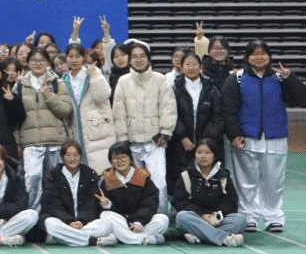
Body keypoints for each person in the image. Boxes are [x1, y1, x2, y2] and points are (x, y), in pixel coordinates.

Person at [221, 40, 306, 233]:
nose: (259, 57)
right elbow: (229, 109)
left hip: (275, 136)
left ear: (269, 57)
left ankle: (273, 216)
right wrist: (234, 133)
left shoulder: (280, 78)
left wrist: (290, 78)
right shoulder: (237, 78)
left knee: (274, 181)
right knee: (246, 180)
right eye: (254, 53)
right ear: (247, 57)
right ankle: (248, 215)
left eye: (263, 53)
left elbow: (300, 99)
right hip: (246, 137)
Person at [111, 41, 176, 213]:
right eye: (135, 57)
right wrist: (123, 138)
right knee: (136, 182)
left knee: (158, 180)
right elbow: (118, 111)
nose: (139, 60)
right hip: (132, 141)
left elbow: (168, 107)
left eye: (142, 56)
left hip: (155, 141)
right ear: (130, 59)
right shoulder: (123, 81)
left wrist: (165, 131)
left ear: (148, 58)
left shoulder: (160, 79)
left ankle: (160, 216)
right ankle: (139, 217)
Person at [17, 47, 74, 210]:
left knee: (54, 180)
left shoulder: (57, 83)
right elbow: (15, 118)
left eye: (42, 60)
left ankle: (54, 212)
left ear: (48, 63)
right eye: (34, 60)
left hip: (55, 141)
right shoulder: (20, 85)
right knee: (32, 177)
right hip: (30, 142)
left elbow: (66, 110)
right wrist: (18, 141)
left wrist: (48, 96)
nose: (38, 63)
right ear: (27, 63)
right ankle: (32, 213)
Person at [169, 49, 226, 197]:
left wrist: (205, 141)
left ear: (201, 67)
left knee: (207, 173)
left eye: (194, 64)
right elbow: (171, 114)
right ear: (182, 67)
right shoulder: (174, 88)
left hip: (207, 140)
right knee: (182, 174)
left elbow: (218, 116)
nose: (191, 67)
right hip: (182, 142)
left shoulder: (211, 88)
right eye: (188, 64)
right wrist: (183, 137)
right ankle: (181, 203)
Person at [173, 139, 245, 247]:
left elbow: (231, 202)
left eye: (207, 153)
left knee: (240, 220)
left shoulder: (223, 176)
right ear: (195, 155)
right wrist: (202, 215)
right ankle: (223, 239)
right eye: (199, 152)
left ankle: (199, 234)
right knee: (182, 217)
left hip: (217, 220)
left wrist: (216, 216)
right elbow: (180, 202)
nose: (203, 156)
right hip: (196, 218)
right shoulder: (186, 175)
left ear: (214, 155)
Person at [41, 140, 115, 247]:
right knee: (50, 223)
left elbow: (90, 205)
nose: (72, 159)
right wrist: (69, 222)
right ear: (62, 157)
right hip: (63, 223)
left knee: (106, 224)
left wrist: (81, 221)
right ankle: (91, 241)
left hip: (84, 225)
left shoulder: (89, 176)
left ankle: (63, 238)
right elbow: (52, 205)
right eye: (68, 155)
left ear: (81, 157)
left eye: (76, 155)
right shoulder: (53, 176)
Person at [98, 141, 168, 245]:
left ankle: (125, 237)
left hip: (141, 223)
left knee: (162, 219)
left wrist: (139, 222)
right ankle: (144, 239)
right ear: (111, 162)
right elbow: (110, 210)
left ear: (130, 159)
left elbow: (150, 203)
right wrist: (108, 205)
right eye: (116, 158)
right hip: (121, 223)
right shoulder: (108, 180)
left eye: (123, 157)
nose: (120, 161)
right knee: (105, 215)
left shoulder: (142, 176)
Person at [61, 45, 116, 173]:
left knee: (104, 173)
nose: (74, 60)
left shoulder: (93, 73)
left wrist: (95, 76)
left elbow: (103, 96)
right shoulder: (63, 80)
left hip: (98, 132)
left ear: (84, 58)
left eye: (77, 56)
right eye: (70, 56)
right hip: (75, 133)